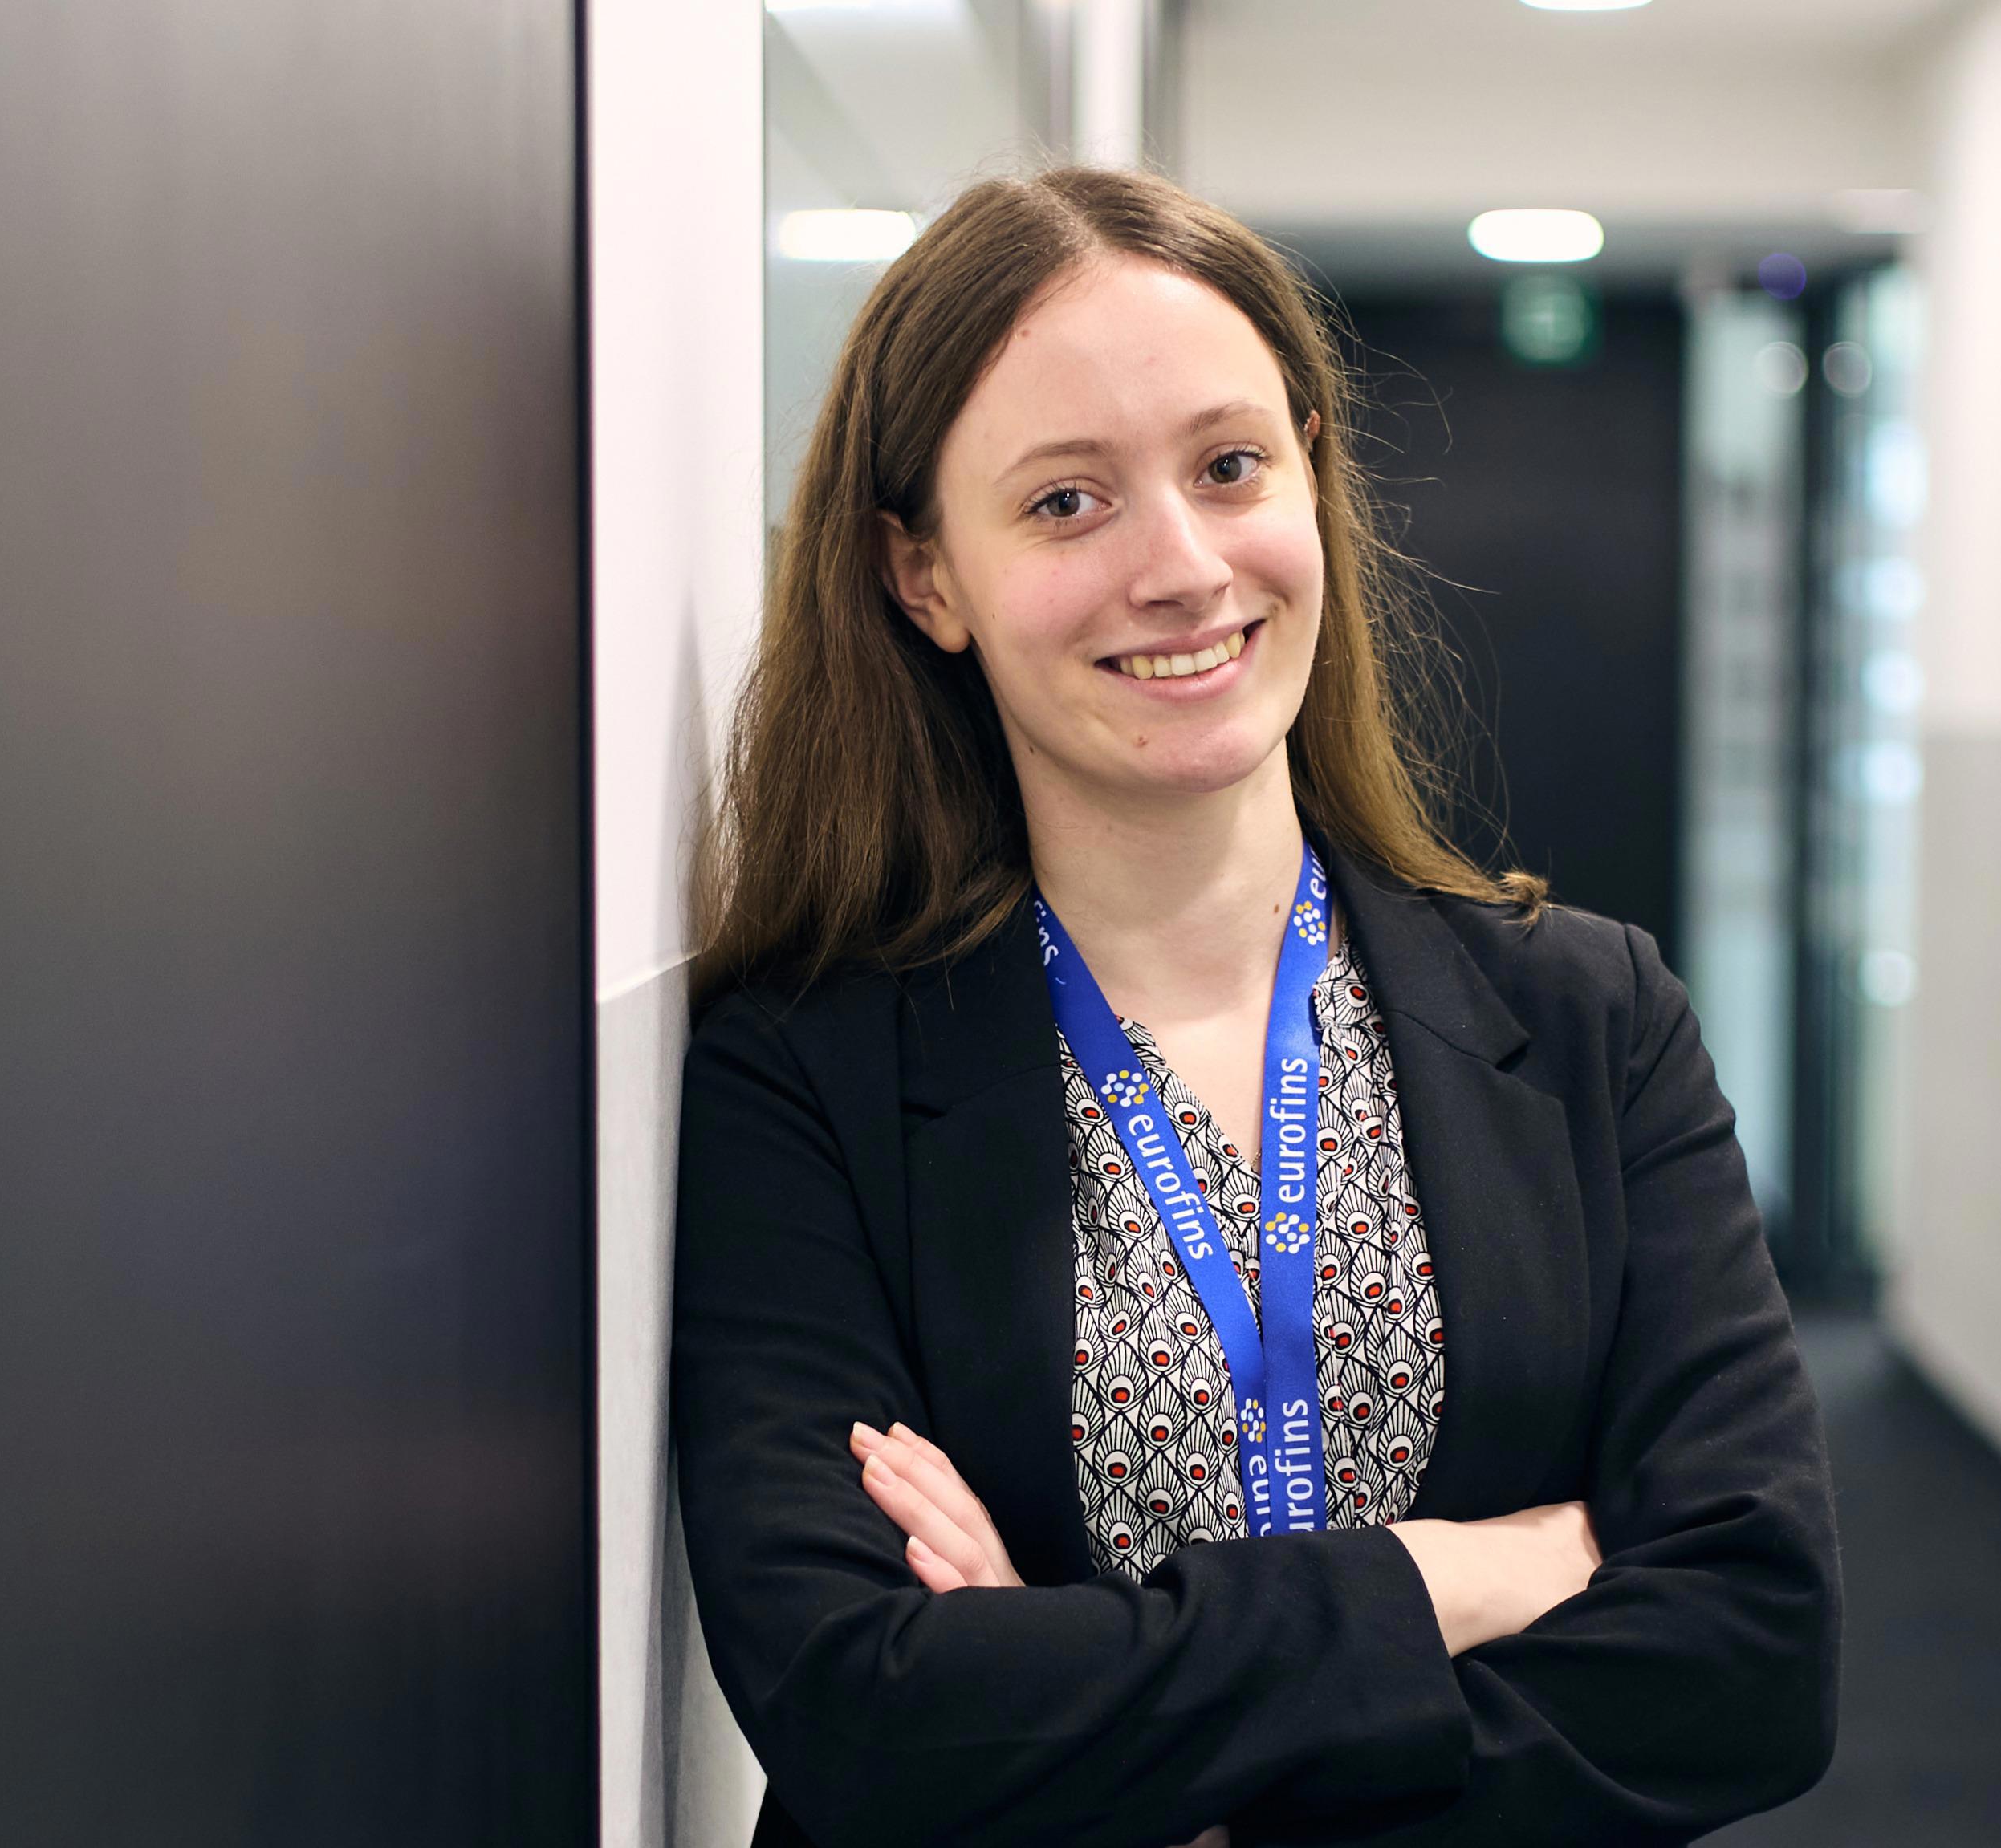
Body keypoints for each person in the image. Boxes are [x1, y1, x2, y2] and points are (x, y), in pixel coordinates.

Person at [670, 165, 1839, 1848]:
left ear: (1310, 471)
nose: (1180, 565)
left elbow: (1752, 1654)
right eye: (1065, 503)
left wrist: (1121, 1757)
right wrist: (1452, 1577)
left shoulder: (1591, 1017)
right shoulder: (804, 1078)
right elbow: (873, 1711)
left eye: (1229, 467)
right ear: (924, 577)